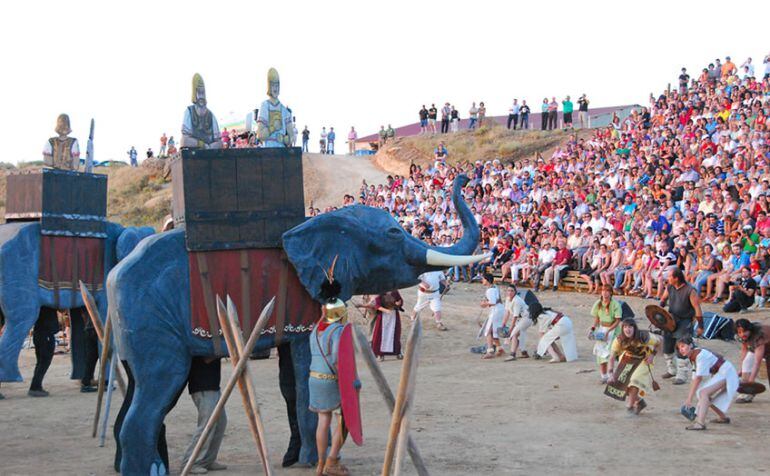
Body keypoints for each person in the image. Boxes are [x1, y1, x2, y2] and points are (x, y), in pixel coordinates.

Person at [310, 296, 354, 475]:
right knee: (345, 421)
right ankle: (332, 460)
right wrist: (347, 381)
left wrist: (323, 312)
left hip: (314, 379)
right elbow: (338, 359)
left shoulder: (315, 331)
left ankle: (320, 464)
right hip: (331, 380)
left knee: (323, 420)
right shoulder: (337, 331)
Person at [677, 337, 738, 430]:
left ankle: (700, 423)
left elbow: (698, 378)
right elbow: (695, 379)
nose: (681, 350)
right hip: (723, 372)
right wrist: (691, 398)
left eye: (683, 346)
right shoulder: (694, 355)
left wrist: (689, 399)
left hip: (727, 372)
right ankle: (723, 417)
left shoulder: (700, 355)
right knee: (703, 394)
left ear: (690, 346)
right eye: (679, 348)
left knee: (703, 393)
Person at [182, 357, 228, 474]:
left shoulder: (212, 338)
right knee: (207, 424)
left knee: (221, 422)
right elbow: (207, 358)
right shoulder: (200, 339)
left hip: (213, 385)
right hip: (202, 386)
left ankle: (207, 460)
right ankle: (191, 462)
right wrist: (224, 350)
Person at [607, 318, 662, 415]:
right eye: (625, 327)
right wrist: (610, 373)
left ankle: (630, 407)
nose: (627, 329)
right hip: (627, 360)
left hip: (643, 360)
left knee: (634, 381)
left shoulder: (644, 336)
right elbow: (611, 357)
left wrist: (652, 355)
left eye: (630, 327)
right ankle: (639, 402)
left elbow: (659, 342)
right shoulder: (619, 339)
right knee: (621, 384)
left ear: (634, 328)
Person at [659, 268, 704, 385]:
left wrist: (700, 326)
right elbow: (663, 299)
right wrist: (660, 306)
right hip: (671, 320)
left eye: (670, 276)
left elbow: (697, 309)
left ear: (676, 278)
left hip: (685, 321)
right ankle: (672, 370)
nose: (668, 278)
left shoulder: (690, 290)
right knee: (667, 346)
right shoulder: (670, 287)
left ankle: (682, 375)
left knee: (682, 348)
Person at [255, 68, 295, 148]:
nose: (275, 88)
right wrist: (272, 128)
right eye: (273, 85)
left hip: (281, 153)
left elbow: (292, 137)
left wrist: (284, 139)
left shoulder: (284, 111)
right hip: (268, 151)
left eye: (277, 85)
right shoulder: (265, 106)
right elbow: (259, 135)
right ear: (269, 86)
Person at [591, 285, 622, 383]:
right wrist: (592, 328)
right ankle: (603, 376)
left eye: (607, 291)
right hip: (602, 329)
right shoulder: (598, 303)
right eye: (603, 291)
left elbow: (617, 320)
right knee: (600, 354)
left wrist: (608, 331)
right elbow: (596, 318)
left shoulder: (615, 304)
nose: (605, 293)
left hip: (613, 329)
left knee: (610, 354)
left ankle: (611, 376)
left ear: (611, 293)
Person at [182, 74, 222, 149]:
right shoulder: (189, 112)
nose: (201, 96)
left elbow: (219, 142)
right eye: (199, 93)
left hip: (210, 154)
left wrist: (210, 147)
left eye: (203, 93)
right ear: (194, 94)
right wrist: (201, 144)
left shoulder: (211, 115)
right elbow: (184, 141)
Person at [734, 319, 770, 404]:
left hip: (767, 346)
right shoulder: (742, 336)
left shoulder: (759, 336)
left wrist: (751, 381)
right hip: (757, 346)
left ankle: (749, 388)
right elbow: (744, 350)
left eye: (744, 331)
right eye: (739, 332)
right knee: (746, 362)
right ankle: (747, 393)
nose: (742, 334)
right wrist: (741, 369)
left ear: (749, 329)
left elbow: (757, 362)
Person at [28, 308, 60, 397]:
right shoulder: (48, 301)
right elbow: (62, 308)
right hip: (46, 333)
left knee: (40, 362)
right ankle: (35, 387)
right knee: (44, 361)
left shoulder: (39, 302)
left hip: (39, 333)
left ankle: (36, 386)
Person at [369, 290, 404, 362]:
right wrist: (385, 310)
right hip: (383, 316)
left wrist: (398, 304)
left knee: (395, 334)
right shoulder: (381, 292)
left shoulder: (395, 292)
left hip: (393, 315)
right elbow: (377, 305)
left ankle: (397, 352)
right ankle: (380, 354)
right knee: (380, 334)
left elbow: (400, 301)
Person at [501, 284, 533, 361]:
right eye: (508, 290)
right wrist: (503, 323)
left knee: (514, 334)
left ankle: (512, 354)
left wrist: (511, 329)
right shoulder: (508, 299)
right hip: (521, 318)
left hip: (527, 318)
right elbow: (507, 312)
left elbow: (515, 317)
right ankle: (524, 353)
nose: (510, 292)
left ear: (515, 292)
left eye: (512, 291)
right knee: (520, 335)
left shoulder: (517, 301)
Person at [480, 273, 505, 359]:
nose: (482, 281)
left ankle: (490, 351)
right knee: (494, 331)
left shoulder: (490, 290)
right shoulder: (495, 287)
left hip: (495, 311)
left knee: (488, 331)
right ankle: (499, 348)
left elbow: (493, 302)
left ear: (487, 280)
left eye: (483, 279)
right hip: (500, 309)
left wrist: (484, 303)